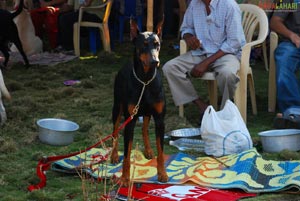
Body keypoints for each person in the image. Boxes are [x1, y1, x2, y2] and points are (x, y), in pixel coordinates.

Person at [162, 0, 245, 122]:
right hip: (201, 52)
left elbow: (234, 42)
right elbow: (186, 28)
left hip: (227, 54)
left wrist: (206, 63)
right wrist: (189, 38)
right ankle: (202, 106)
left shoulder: (229, 5)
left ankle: (225, 113)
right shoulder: (195, 4)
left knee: (227, 73)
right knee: (170, 68)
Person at [270, 0, 300, 114]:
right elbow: (275, 22)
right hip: (292, 42)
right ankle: (294, 111)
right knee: (284, 60)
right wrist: (292, 36)